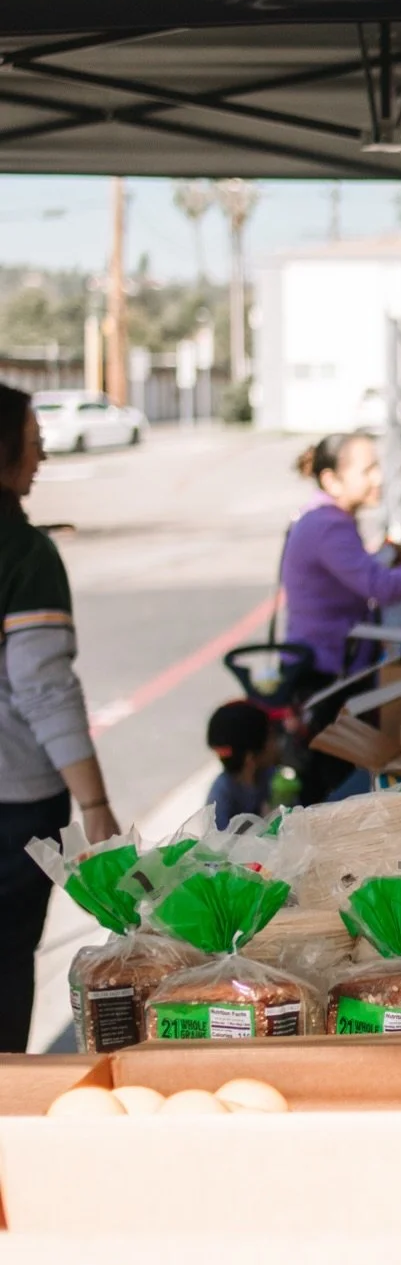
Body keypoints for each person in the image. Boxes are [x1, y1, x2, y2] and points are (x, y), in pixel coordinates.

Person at [0, 382, 118, 1054]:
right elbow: (42, 688)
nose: (39, 456)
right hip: (13, 804)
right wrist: (94, 801)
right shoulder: (22, 555)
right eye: (31, 443)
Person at [281, 432, 401, 802]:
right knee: (338, 795)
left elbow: (357, 579)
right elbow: (380, 587)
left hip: (334, 671)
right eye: (367, 470)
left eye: (377, 467)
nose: (378, 478)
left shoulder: (323, 519)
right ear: (332, 479)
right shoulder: (327, 525)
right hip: (328, 681)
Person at [205, 700, 277, 827]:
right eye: (271, 737)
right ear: (250, 758)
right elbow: (219, 844)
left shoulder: (273, 776)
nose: (276, 743)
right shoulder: (220, 800)